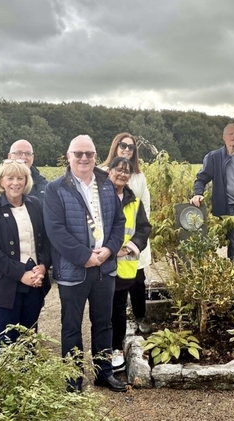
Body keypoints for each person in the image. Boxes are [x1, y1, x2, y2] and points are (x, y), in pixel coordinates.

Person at [44, 135, 127, 393]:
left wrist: (109, 251)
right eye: (78, 153)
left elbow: (118, 223)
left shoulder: (106, 184)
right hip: (73, 270)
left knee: (104, 322)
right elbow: (55, 231)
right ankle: (73, 378)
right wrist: (85, 256)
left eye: (89, 154)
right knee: (71, 326)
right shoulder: (55, 188)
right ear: (68, 156)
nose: (83, 158)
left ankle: (104, 372)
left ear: (95, 156)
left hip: (105, 268)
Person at [0, 160, 51, 346]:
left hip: (34, 282)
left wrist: (42, 266)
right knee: (7, 343)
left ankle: (29, 375)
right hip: (3, 286)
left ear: (27, 181)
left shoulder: (35, 205)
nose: (15, 183)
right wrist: (21, 274)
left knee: (29, 339)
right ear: (1, 181)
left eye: (20, 178)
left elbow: (46, 241)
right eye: (10, 178)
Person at [102, 132, 153, 334]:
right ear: (115, 146)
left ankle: (141, 316)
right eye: (123, 145)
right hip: (110, 246)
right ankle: (113, 335)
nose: (126, 149)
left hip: (133, 243)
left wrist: (135, 242)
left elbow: (144, 207)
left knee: (138, 281)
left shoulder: (139, 176)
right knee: (115, 293)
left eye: (131, 147)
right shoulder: (102, 172)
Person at [105, 157, 152, 373]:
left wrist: (132, 246)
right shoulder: (99, 196)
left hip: (124, 265)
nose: (122, 174)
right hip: (101, 263)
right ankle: (101, 349)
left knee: (118, 307)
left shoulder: (134, 201)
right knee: (102, 309)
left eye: (127, 171)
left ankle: (115, 349)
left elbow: (144, 228)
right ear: (110, 171)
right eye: (118, 169)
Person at [191, 123, 234, 266]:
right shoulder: (213, 157)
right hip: (227, 208)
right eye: (231, 134)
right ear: (223, 137)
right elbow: (201, 178)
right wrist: (198, 193)